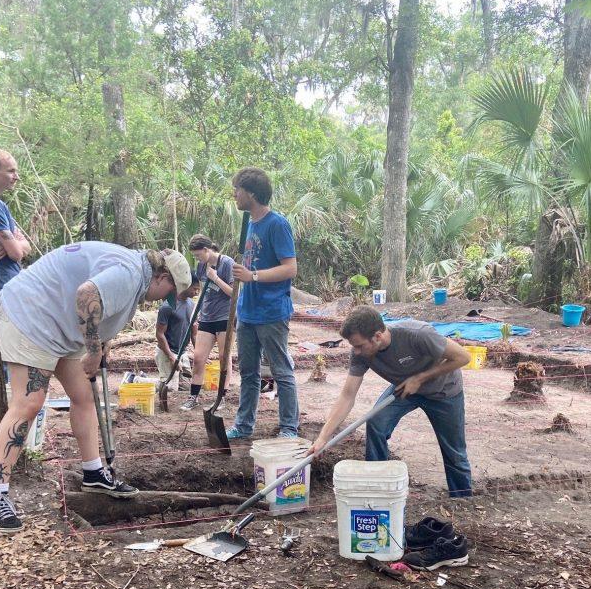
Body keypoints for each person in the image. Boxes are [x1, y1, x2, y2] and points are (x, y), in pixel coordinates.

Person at [0, 241, 192, 533]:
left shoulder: (138, 274)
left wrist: (99, 344)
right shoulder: (131, 273)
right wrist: (93, 350)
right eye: (167, 294)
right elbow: (87, 294)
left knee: (84, 396)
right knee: (28, 402)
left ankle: (93, 472)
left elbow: (100, 307)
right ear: (162, 277)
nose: (160, 302)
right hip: (32, 316)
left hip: (63, 327)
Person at [307, 306, 474, 498]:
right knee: (376, 423)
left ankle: (462, 499)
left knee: (454, 450)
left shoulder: (418, 334)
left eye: (360, 345)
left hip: (444, 391)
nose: (357, 351)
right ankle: (379, 486)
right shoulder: (361, 354)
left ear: (377, 336)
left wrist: (420, 378)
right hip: (404, 390)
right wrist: (322, 438)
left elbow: (463, 357)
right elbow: (347, 396)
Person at [225, 167, 300, 440]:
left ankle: (289, 427)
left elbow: (290, 268)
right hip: (248, 311)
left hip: (271, 311)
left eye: (238, 189)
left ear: (252, 193)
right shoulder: (249, 224)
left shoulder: (277, 224)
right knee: (248, 373)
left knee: (281, 370)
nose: (234, 194)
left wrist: (252, 276)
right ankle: (244, 426)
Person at [182, 235, 235, 411]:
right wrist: (195, 313)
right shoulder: (202, 266)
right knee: (198, 358)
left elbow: (234, 294)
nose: (197, 259)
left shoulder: (227, 263)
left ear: (206, 250)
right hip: (206, 317)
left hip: (224, 317)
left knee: (223, 358)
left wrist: (216, 278)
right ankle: (193, 396)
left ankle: (222, 397)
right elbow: (203, 293)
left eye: (198, 255)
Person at [0, 148, 31, 291]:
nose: (17, 176)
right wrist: (14, 245)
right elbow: (16, 254)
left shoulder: (0, 204)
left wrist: (12, 244)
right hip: (2, 286)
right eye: (11, 171)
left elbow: (27, 246)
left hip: (9, 283)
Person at [155, 270, 199, 392]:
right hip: (167, 352)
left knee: (185, 388)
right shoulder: (167, 306)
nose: (196, 293)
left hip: (182, 352)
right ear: (186, 285)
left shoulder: (192, 305)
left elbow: (194, 333)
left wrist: (199, 352)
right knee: (170, 389)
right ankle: (137, 380)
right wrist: (171, 357)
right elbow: (159, 334)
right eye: (194, 289)